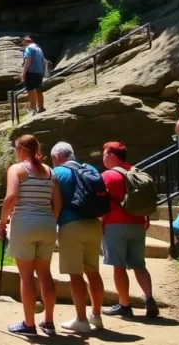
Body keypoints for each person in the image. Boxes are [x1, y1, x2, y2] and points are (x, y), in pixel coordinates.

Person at [0, 134, 60, 336]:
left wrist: (2, 223)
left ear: (22, 150)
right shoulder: (51, 172)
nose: (15, 153)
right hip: (47, 224)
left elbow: (10, 198)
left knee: (26, 277)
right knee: (45, 274)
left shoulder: (17, 169)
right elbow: (57, 204)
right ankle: (49, 322)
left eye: (16, 149)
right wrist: (49, 220)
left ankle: (29, 324)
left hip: (24, 223)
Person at [50, 142, 106, 332]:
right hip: (94, 224)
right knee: (93, 271)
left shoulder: (58, 173)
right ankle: (96, 316)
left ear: (57, 157)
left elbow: (52, 201)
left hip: (71, 225)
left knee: (76, 275)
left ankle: (81, 320)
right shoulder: (89, 168)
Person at [101, 141, 159, 318]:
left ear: (111, 155)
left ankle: (124, 305)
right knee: (139, 264)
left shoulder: (108, 176)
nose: (102, 157)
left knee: (118, 266)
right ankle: (149, 300)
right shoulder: (136, 172)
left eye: (104, 153)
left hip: (115, 225)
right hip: (138, 223)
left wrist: (99, 223)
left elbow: (102, 202)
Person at [20, 36, 46, 114]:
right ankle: (41, 107)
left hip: (31, 72)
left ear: (26, 41)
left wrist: (23, 73)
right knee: (38, 89)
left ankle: (33, 108)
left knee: (30, 90)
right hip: (39, 72)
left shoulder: (29, 48)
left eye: (23, 42)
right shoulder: (39, 49)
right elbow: (44, 61)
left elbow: (28, 60)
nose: (23, 44)